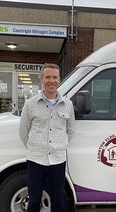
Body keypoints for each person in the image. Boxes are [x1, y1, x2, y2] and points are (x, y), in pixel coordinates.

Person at [19, 63, 75, 212]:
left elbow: (70, 130)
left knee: (58, 199)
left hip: (58, 160)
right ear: (41, 79)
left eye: (55, 77)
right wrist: (35, 147)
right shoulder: (30, 104)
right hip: (36, 160)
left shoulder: (68, 105)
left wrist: (59, 146)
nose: (52, 81)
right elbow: (23, 131)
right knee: (34, 198)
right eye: (48, 77)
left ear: (59, 79)